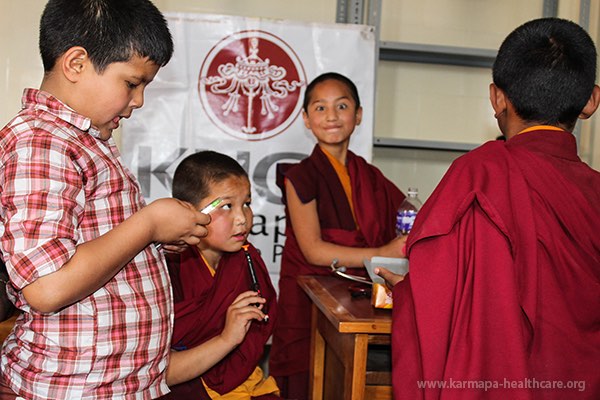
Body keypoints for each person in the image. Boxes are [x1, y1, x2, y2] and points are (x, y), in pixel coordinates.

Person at [0, 1, 265, 398]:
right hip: (71, 387)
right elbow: (47, 286)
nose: (138, 100)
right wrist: (148, 224)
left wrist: (155, 243)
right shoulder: (42, 142)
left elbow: (96, 248)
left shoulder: (87, 141)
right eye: (132, 83)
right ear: (76, 64)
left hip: (113, 385)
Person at [376, 17, 600, 399]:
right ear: (591, 102)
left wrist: (408, 293)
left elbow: (438, 280)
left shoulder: (480, 176)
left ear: (496, 97)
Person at [268, 72, 407, 400]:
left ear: (358, 115)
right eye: (320, 108)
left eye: (342, 106)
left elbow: (409, 218)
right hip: (310, 301)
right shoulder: (300, 177)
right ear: (305, 118)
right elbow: (314, 251)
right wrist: (380, 252)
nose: (331, 116)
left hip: (358, 300)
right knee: (309, 382)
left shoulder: (371, 177)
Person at [159, 151, 279, 400]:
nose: (242, 219)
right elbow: (157, 370)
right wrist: (227, 338)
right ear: (190, 211)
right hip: (184, 388)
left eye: (246, 204)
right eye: (226, 206)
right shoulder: (167, 269)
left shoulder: (248, 261)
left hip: (244, 382)